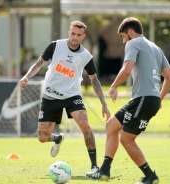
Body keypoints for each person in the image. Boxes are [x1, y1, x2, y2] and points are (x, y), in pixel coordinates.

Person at [86, 17, 170, 184]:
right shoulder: (156, 48)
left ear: (131, 32)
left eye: (123, 37)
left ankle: (150, 176)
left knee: (126, 139)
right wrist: (159, 98)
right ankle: (104, 171)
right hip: (147, 99)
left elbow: (126, 69)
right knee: (111, 126)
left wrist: (113, 86)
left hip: (143, 98)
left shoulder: (133, 43)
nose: (123, 40)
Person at [19, 20, 111, 172]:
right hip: (50, 95)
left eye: (78, 35)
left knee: (85, 126)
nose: (75, 37)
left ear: (83, 37)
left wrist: (104, 104)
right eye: (73, 33)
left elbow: (95, 81)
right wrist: (26, 77)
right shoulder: (55, 46)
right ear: (69, 32)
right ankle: (57, 138)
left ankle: (95, 166)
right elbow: (38, 64)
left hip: (72, 96)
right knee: (42, 138)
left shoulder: (86, 56)